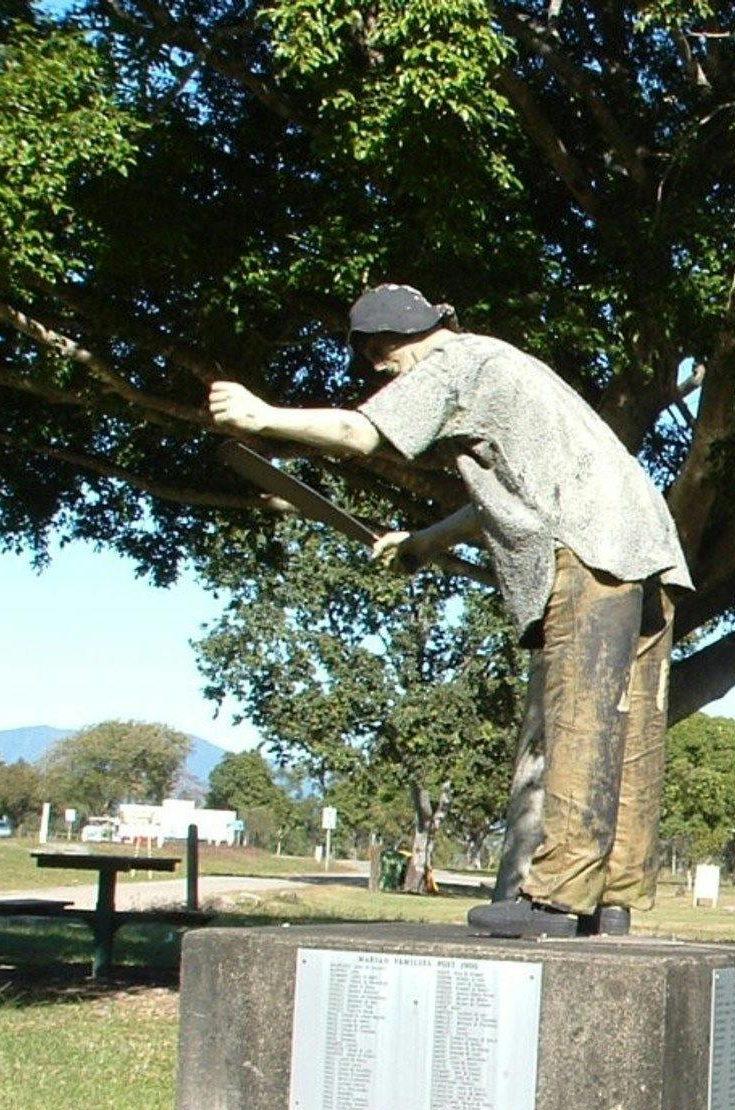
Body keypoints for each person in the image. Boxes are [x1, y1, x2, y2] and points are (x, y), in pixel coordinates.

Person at [208, 284, 693, 938]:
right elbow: (502, 499)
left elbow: (359, 432)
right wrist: (424, 541)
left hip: (587, 550)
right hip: (647, 547)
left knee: (578, 714)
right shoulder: (509, 367)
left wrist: (263, 417)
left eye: (380, 358)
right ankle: (610, 899)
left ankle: (552, 900)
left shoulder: (451, 365)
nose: (382, 371)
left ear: (389, 347)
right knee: (627, 728)